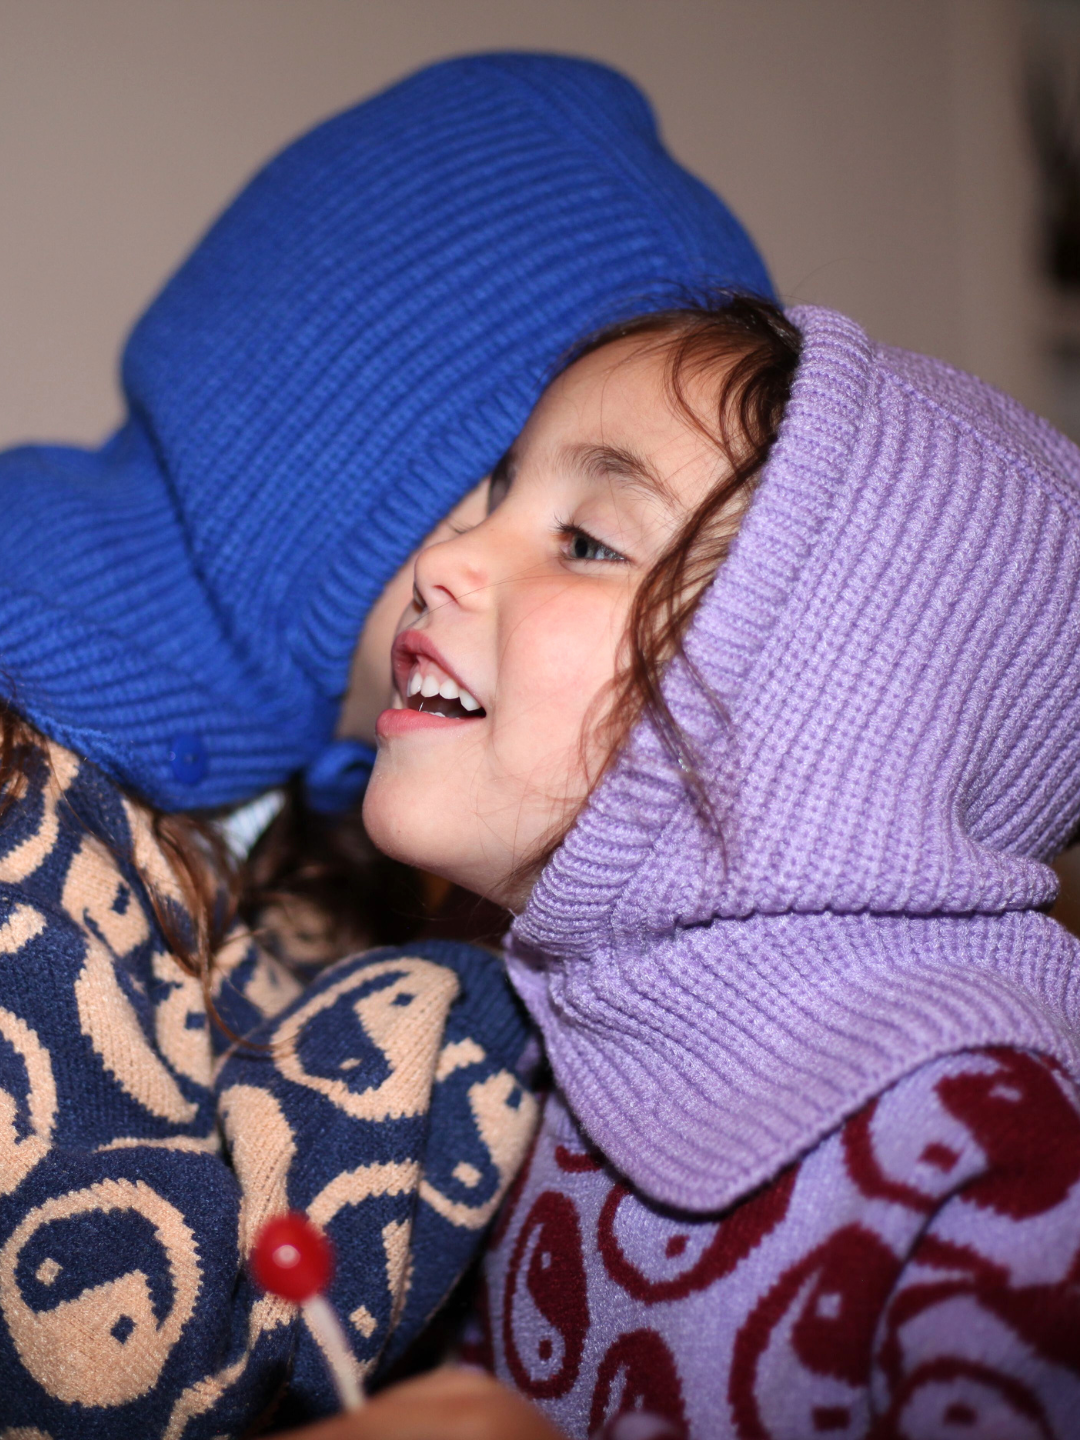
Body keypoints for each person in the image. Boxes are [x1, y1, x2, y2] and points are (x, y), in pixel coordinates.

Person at [0, 53, 775, 1438]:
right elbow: (112, 1359)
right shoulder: (29, 779)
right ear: (330, 447)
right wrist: (491, 992)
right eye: (514, 489)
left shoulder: (304, 825)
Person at [361, 292, 1080, 1437]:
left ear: (813, 716)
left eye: (588, 541)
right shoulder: (517, 1043)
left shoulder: (994, 1153)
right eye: (497, 496)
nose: (446, 554)